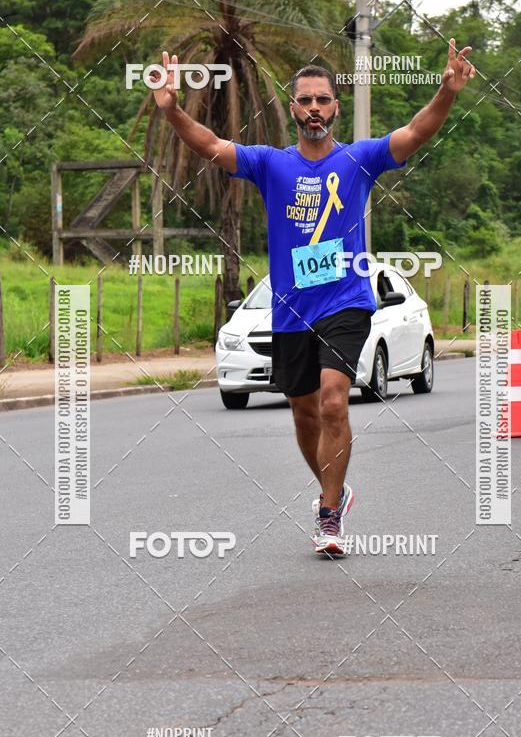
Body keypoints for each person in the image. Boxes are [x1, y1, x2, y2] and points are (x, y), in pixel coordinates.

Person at [152, 40, 476, 554]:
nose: (314, 109)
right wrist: (172, 111)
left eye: (323, 100)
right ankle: (335, 491)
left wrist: (447, 92)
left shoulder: (359, 159)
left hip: (347, 301)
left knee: (332, 400)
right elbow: (211, 144)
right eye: (305, 101)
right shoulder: (270, 164)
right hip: (290, 311)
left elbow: (415, 133)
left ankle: (328, 517)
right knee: (304, 413)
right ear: (293, 108)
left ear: (335, 107)